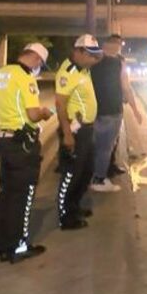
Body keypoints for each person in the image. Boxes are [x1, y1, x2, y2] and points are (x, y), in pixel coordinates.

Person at [0, 42, 53, 263]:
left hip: (4, 141)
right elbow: (33, 115)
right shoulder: (26, 78)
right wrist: (45, 112)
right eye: (40, 64)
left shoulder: (0, 74)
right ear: (36, 59)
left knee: (6, 195)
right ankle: (18, 246)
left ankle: (2, 245)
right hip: (22, 144)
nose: (38, 68)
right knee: (23, 197)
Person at [55, 34, 103, 229]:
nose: (93, 59)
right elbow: (60, 104)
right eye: (90, 55)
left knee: (86, 170)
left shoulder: (84, 69)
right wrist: (67, 134)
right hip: (74, 131)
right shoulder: (68, 72)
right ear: (78, 51)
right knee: (71, 174)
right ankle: (65, 216)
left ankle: (74, 206)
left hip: (87, 129)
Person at [89, 34, 143, 192]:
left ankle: (94, 175)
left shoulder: (93, 60)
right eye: (117, 44)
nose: (118, 47)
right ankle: (99, 179)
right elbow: (126, 87)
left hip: (94, 110)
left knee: (96, 146)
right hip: (111, 110)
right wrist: (135, 110)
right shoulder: (118, 63)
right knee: (105, 148)